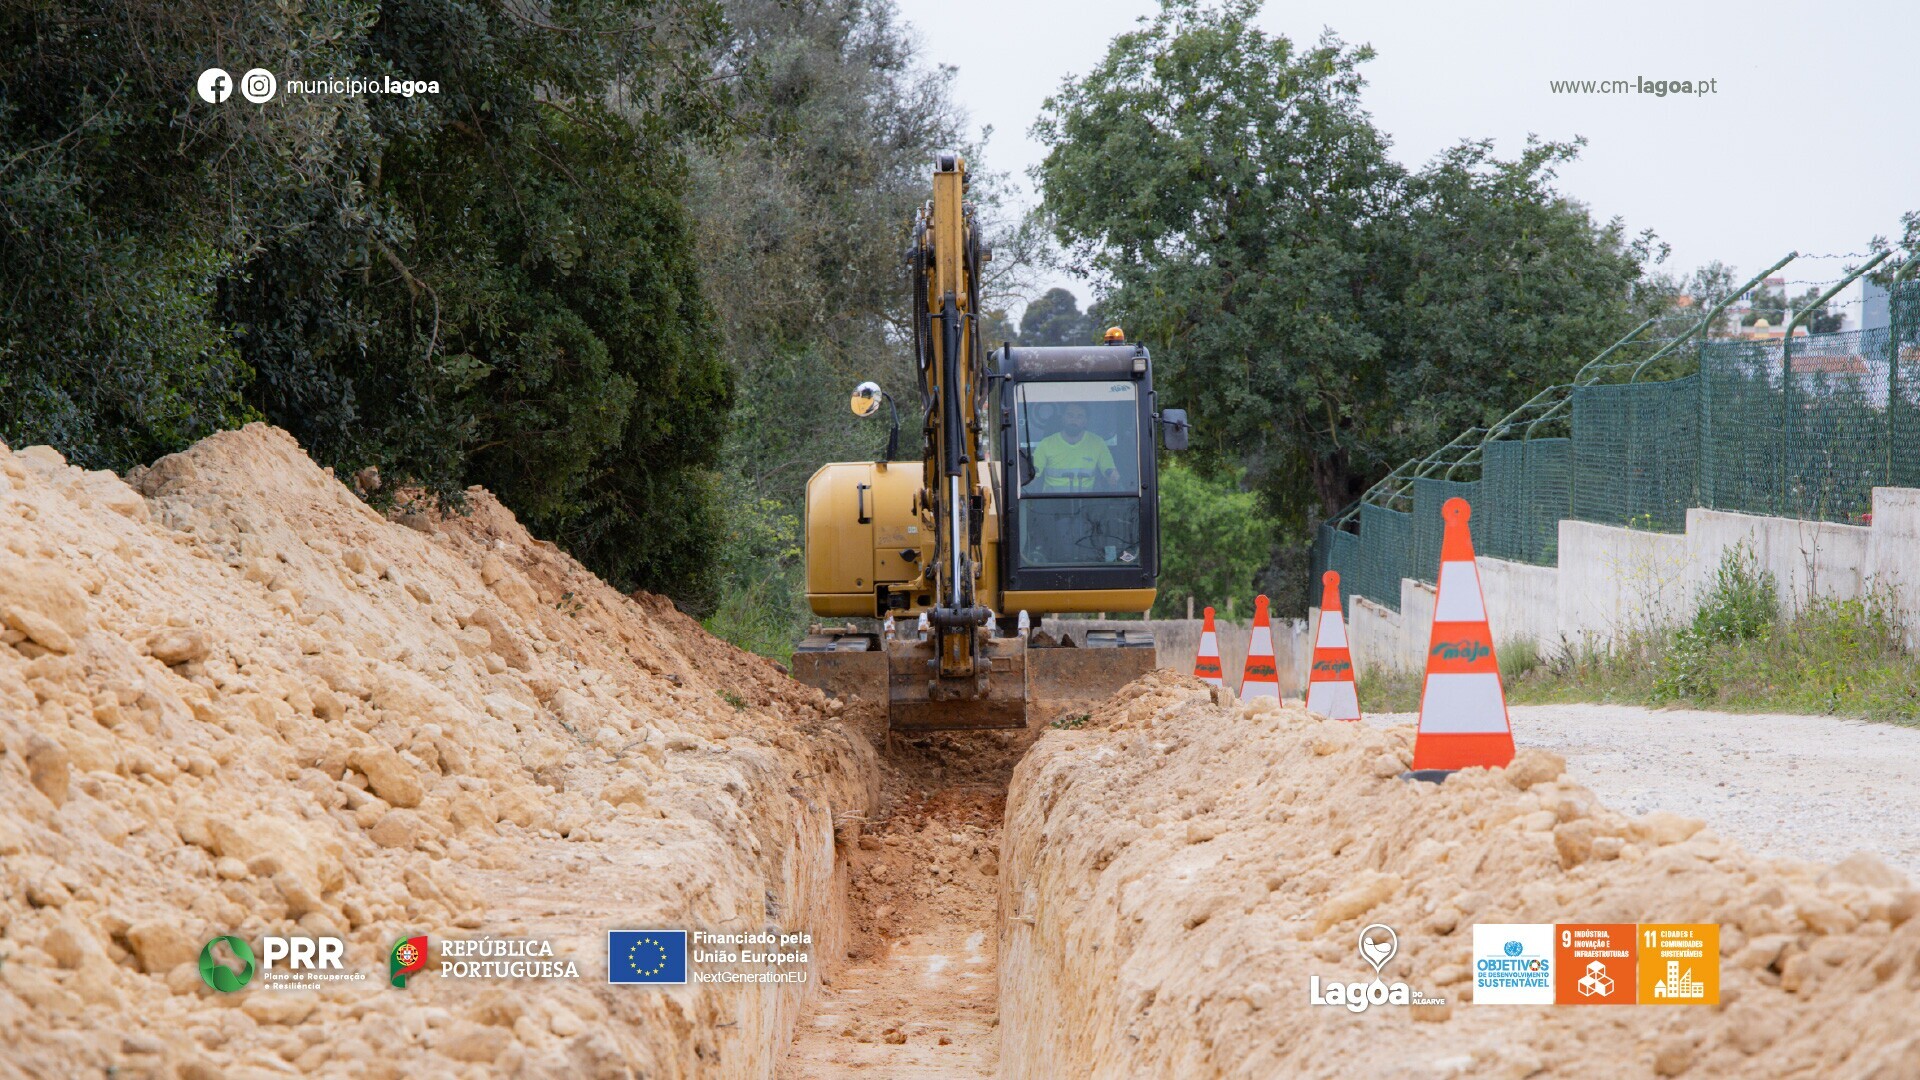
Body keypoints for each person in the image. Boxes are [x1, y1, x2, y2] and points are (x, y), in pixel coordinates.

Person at [1031, 403, 1121, 492]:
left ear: (1086, 421)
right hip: (1051, 504)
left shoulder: (1097, 443)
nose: (1074, 420)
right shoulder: (1046, 443)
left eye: (1080, 416)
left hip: (1086, 504)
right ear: (1063, 418)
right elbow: (1031, 477)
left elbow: (1110, 472)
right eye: (1070, 415)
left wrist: (1113, 477)